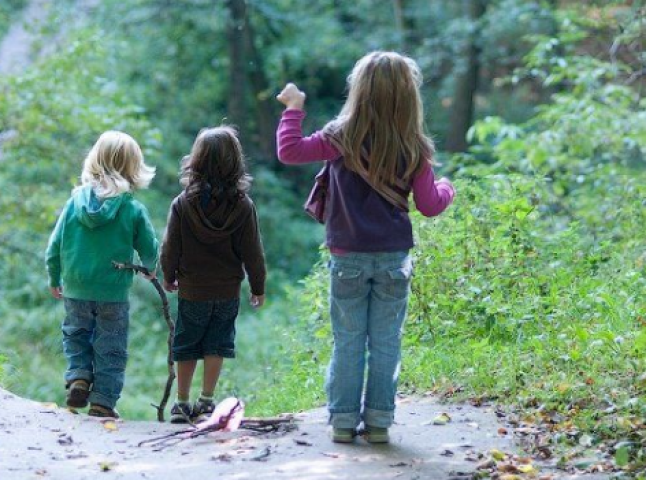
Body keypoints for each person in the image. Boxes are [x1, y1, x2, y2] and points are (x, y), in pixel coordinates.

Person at [276, 51, 456, 444]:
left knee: (349, 339)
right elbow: (429, 205)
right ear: (409, 97)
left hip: (347, 257)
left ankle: (342, 422)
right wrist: (447, 188)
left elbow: (290, 151)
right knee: (386, 341)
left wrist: (294, 107)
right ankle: (378, 424)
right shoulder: (414, 147)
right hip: (393, 258)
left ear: (359, 90)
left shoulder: (341, 137)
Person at [46, 130, 159, 418]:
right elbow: (148, 246)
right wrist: (150, 267)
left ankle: (79, 377)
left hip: (76, 288)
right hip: (112, 292)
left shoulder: (74, 203)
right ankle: (102, 402)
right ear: (133, 168)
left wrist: (54, 277)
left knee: (76, 335)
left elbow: (54, 245)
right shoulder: (132, 209)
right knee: (111, 346)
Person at [160, 126, 266, 424]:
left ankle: (181, 403)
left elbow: (171, 246)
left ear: (195, 161)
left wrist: (169, 276)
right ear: (235, 162)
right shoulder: (244, 207)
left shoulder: (182, 204)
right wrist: (258, 287)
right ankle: (206, 401)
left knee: (186, 344)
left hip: (193, 289)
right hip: (227, 291)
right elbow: (253, 253)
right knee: (216, 345)